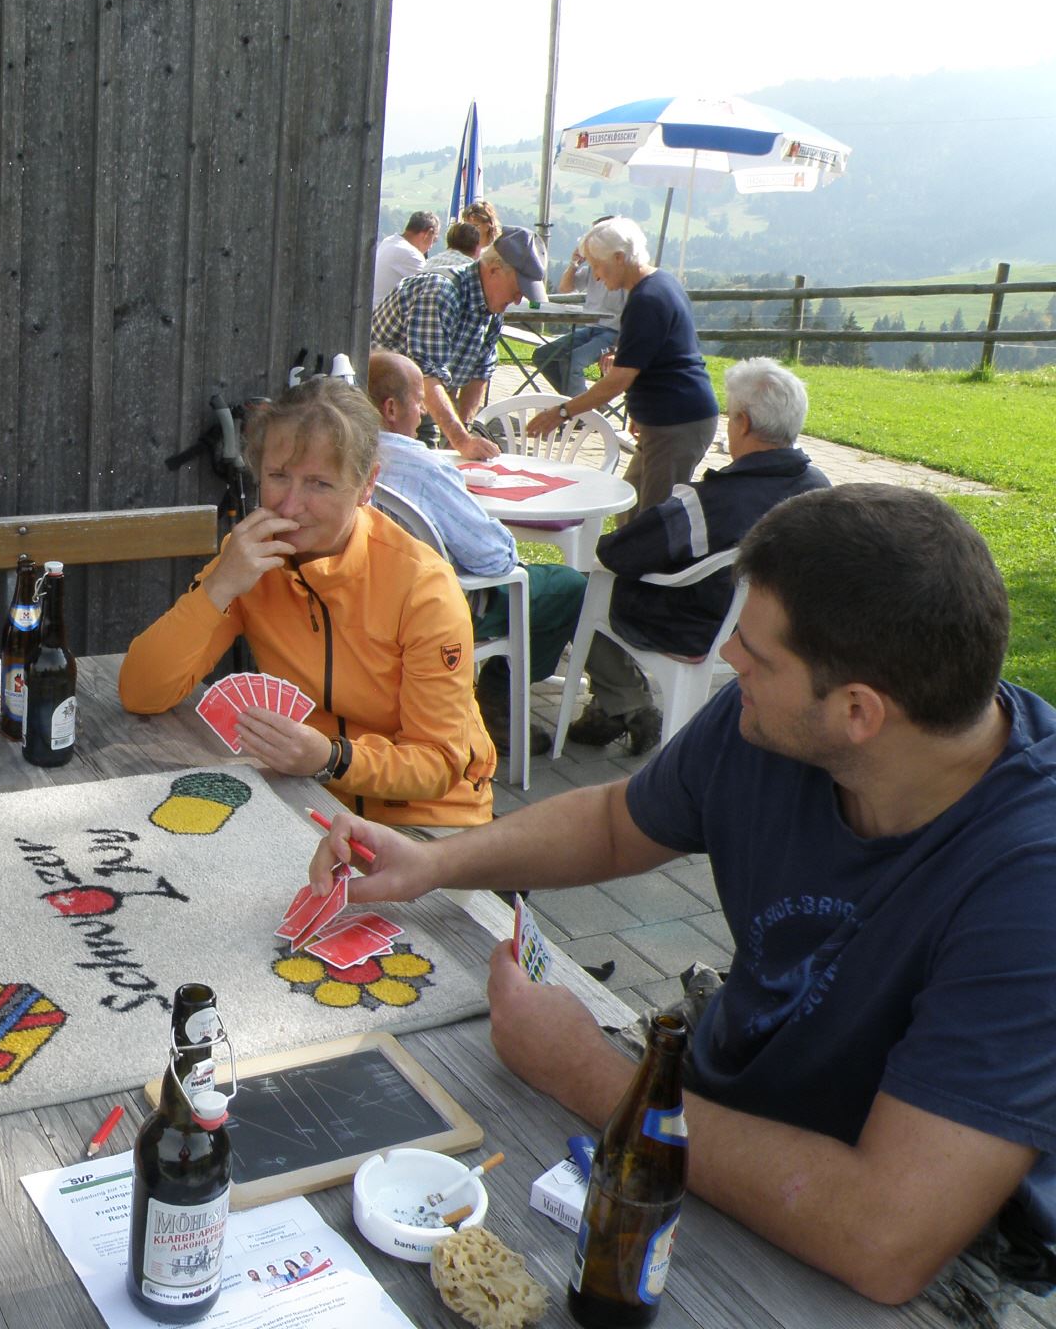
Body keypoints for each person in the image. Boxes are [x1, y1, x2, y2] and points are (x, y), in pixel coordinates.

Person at [304, 485, 1056, 1314]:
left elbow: (884, 1237)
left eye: (757, 653)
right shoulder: (771, 722)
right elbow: (615, 823)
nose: (729, 655)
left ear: (857, 711)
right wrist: (435, 862)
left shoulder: (1030, 888)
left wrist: (592, 1076)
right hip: (715, 1102)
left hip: (910, 1243)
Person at [120, 376, 495, 829]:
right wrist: (218, 586)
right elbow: (141, 692)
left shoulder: (423, 588)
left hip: (427, 821)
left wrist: (332, 758)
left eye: (319, 484)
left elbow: (437, 764)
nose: (291, 506)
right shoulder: (250, 560)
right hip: (306, 799)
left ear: (366, 485)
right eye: (278, 476)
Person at [568, 358, 831, 753]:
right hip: (777, 627)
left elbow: (618, 554)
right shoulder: (820, 489)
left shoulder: (707, 503)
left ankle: (626, 701)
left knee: (577, 589)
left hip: (698, 624)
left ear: (742, 423)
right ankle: (614, 707)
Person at [367, 350, 586, 755]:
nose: (423, 413)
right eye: (419, 401)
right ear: (392, 408)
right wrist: (501, 538)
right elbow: (495, 559)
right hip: (437, 609)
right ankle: (499, 701)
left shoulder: (349, 455)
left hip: (368, 599)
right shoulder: (421, 467)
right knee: (570, 585)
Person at [527, 217, 719, 516]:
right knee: (630, 510)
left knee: (653, 521)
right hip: (667, 418)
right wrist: (639, 410)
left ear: (619, 257)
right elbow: (654, 356)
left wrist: (562, 412)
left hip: (677, 421)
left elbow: (618, 379)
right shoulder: (660, 283)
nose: (596, 275)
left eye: (598, 265)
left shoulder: (647, 299)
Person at [371, 227, 550, 464]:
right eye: (517, 290)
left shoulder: (493, 310)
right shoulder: (441, 292)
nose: (518, 300)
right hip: (378, 406)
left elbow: (479, 375)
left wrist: (463, 430)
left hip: (418, 403)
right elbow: (427, 375)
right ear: (494, 270)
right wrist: (461, 440)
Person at [531, 217, 626, 397]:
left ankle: (581, 410)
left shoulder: (624, 272)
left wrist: (616, 349)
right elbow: (565, 288)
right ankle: (581, 402)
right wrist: (574, 264)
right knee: (543, 355)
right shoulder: (593, 268)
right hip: (590, 329)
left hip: (612, 334)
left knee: (572, 361)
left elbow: (634, 318)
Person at [372, 210, 440, 305]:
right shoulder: (410, 254)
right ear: (429, 233)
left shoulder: (389, 241)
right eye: (434, 239)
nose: (431, 246)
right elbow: (435, 289)